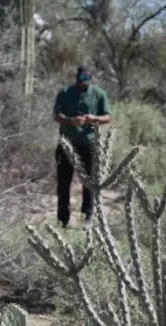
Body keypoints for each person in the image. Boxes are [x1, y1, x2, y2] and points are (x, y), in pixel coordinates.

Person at [53, 66, 112, 229]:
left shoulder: (99, 94)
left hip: (89, 144)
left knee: (89, 182)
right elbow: (56, 115)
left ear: (90, 81)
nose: (82, 86)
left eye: (84, 83)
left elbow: (108, 117)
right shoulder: (65, 93)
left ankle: (88, 216)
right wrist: (71, 121)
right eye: (79, 83)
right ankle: (63, 219)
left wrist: (94, 119)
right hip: (67, 144)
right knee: (63, 182)